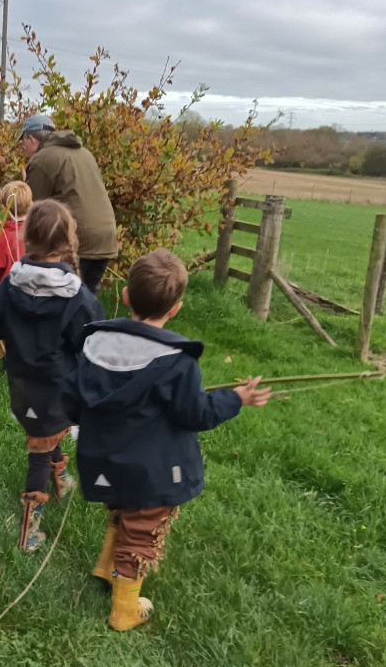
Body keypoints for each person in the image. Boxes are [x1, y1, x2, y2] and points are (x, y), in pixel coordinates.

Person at [66, 248, 271, 631]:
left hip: (104, 461)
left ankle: (107, 567)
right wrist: (236, 397)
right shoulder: (177, 361)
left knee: (123, 510)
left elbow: (71, 399)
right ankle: (124, 608)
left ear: (126, 296)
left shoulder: (94, 345)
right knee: (142, 529)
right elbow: (198, 413)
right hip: (151, 472)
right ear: (176, 308)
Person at [0, 199, 104, 552]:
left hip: (22, 390)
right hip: (60, 391)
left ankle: (61, 480)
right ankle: (29, 530)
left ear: (27, 239)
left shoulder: (12, 283)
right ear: (68, 241)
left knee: (46, 431)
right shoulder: (76, 295)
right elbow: (93, 342)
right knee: (41, 445)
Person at [21, 114, 118, 295]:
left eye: (24, 143)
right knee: (86, 300)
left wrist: (24, 185)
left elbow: (33, 209)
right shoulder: (84, 153)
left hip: (79, 240)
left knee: (64, 301)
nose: (24, 148)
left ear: (32, 139)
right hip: (105, 238)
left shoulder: (42, 159)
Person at [0, 181, 33, 290]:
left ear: (4, 208)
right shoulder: (40, 233)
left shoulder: (1, 239)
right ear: (31, 204)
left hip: (6, 298)